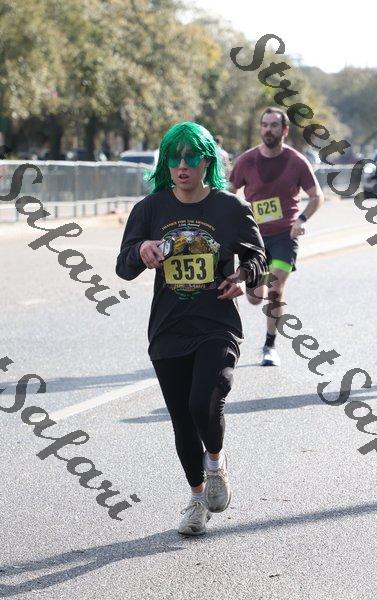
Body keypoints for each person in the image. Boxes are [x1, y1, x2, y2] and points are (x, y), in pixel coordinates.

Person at [116, 121, 267, 536]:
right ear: (165, 162)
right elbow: (123, 266)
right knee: (182, 421)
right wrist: (141, 249)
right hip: (168, 328)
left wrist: (242, 277)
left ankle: (215, 464)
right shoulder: (150, 209)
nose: (182, 166)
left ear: (207, 162)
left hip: (216, 323)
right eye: (173, 157)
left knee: (205, 402)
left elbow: (258, 259)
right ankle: (197, 499)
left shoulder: (229, 208)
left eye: (191, 157)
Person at [230, 107, 324, 367]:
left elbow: (317, 196)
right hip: (254, 238)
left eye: (273, 125)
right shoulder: (246, 161)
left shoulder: (296, 162)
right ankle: (257, 281)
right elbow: (229, 191)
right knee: (254, 297)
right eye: (264, 125)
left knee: (275, 289)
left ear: (284, 130)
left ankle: (270, 346)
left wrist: (301, 220)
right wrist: (233, 221)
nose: (268, 130)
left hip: (284, 235)